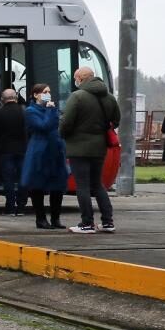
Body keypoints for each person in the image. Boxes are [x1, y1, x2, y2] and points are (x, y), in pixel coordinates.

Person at [59, 66, 120, 234]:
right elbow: (116, 120)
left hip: (78, 148)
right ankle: (108, 222)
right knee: (98, 185)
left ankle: (86, 223)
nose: (74, 81)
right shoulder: (109, 98)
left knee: (82, 186)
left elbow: (66, 122)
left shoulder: (77, 96)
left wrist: (63, 134)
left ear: (81, 78)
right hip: (99, 148)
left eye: (75, 78)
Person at [21, 83, 68, 229]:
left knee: (58, 186)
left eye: (49, 92)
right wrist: (50, 110)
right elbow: (44, 126)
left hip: (55, 150)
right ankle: (40, 218)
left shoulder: (52, 109)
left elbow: (57, 126)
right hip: (39, 151)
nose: (48, 94)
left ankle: (55, 218)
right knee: (37, 185)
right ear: (35, 95)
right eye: (44, 92)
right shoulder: (30, 111)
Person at [0, 88, 27, 214]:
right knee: (22, 179)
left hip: (5, 150)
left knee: (8, 179)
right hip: (23, 150)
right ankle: (21, 207)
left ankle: (10, 207)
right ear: (16, 98)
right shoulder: (24, 112)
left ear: (2, 100)